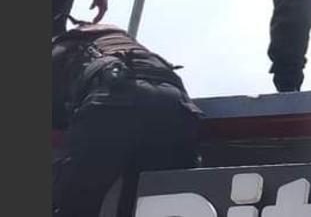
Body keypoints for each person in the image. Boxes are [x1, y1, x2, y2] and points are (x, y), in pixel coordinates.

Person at [52, 23, 202, 217]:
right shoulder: (131, 46)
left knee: (72, 200)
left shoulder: (64, 48)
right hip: (177, 107)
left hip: (114, 103)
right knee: (146, 205)